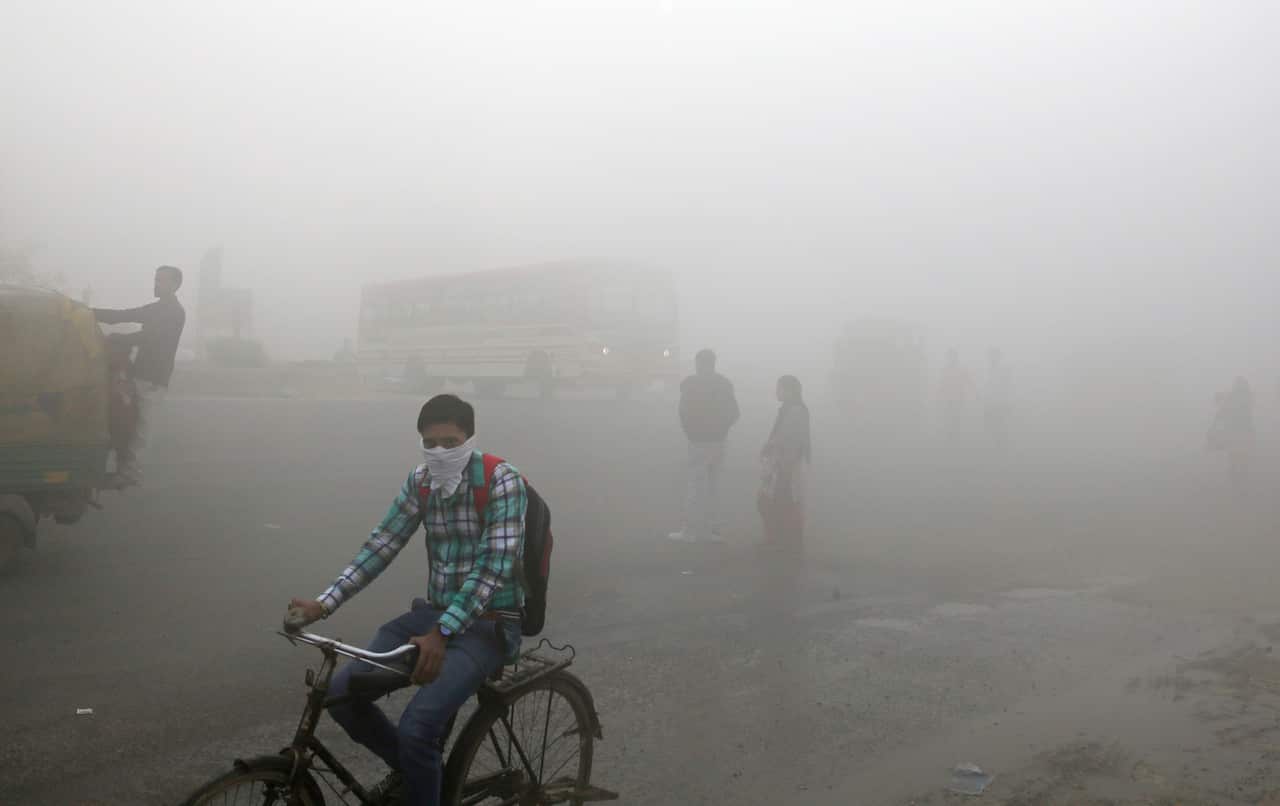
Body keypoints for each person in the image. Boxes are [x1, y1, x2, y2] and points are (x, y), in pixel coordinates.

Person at [284, 394, 525, 806]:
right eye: (430, 443)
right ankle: (421, 777)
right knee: (342, 695)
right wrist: (323, 604)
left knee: (417, 729)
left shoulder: (502, 480)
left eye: (450, 442)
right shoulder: (422, 481)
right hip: (431, 618)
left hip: (488, 624)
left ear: (469, 438)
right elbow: (383, 543)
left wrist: (444, 630)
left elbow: (492, 567)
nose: (440, 452)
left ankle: (420, 777)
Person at [92, 265, 186, 487]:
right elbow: (122, 315)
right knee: (122, 420)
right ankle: (118, 468)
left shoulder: (174, 312)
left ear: (175, 285)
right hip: (138, 375)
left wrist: (118, 338)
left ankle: (130, 472)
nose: (156, 284)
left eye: (161, 280)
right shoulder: (156, 309)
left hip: (153, 379)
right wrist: (86, 311)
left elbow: (151, 337)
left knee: (141, 428)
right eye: (155, 279)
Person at [669, 348, 740, 543]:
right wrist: (722, 430)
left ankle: (689, 531)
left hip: (697, 442)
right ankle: (715, 531)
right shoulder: (724, 384)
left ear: (698, 363)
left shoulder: (690, 385)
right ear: (714, 363)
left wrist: (691, 434)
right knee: (715, 486)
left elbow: (683, 412)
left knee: (694, 486)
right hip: (718, 441)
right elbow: (734, 413)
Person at [757, 375, 811, 549]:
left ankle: (780, 542)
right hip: (784, 462)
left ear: (789, 391)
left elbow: (789, 439)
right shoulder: (791, 409)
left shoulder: (794, 411)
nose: (776, 392)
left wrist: (779, 460)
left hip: (785, 464)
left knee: (773, 502)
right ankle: (784, 540)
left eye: (779, 388)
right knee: (780, 502)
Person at [1208, 377, 1255, 495]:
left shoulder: (1234, 398)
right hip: (1243, 435)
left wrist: (1214, 427)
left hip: (1236, 435)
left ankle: (1236, 486)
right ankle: (1240, 486)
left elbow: (1222, 410)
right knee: (1241, 460)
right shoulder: (1246, 398)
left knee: (1235, 460)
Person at [937, 349, 972, 441]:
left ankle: (954, 436)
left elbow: (968, 382)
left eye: (953, 357)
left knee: (955, 418)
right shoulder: (946, 370)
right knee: (950, 418)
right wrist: (940, 395)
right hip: (950, 399)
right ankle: (951, 436)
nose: (951, 359)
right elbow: (942, 383)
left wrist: (975, 394)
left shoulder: (960, 369)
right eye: (950, 357)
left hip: (958, 398)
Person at [983, 348, 1013, 450]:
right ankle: (999, 445)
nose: (991, 359)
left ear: (997, 357)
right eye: (990, 357)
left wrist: (1006, 402)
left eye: (993, 357)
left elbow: (1005, 386)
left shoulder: (1002, 370)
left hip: (999, 402)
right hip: (992, 402)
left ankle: (1001, 445)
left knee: (998, 423)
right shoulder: (990, 370)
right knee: (993, 424)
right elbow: (989, 386)